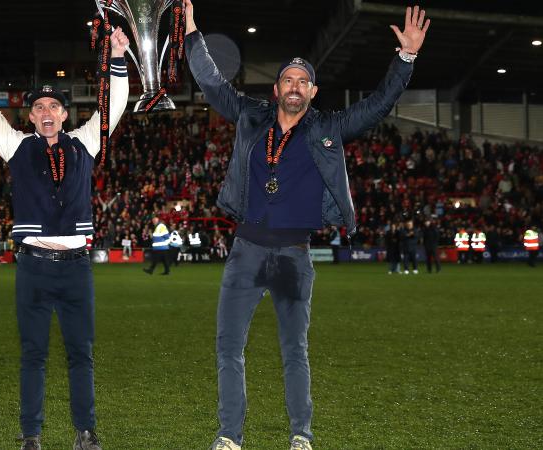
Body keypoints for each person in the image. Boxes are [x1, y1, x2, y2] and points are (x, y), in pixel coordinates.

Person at [184, 1, 430, 448]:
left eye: (304, 81)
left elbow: (377, 106)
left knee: (294, 350)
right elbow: (211, 81)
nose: (295, 86)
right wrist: (192, 32)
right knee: (228, 348)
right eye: (288, 79)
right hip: (246, 251)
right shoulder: (249, 116)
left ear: (313, 92)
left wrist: (406, 58)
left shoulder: (330, 128)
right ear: (276, 87)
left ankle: (301, 435)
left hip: (295, 255)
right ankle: (229, 436)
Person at [0, 21, 129, 450]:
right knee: (33, 355)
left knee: (80, 355)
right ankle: (31, 436)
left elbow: (114, 108)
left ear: (65, 114)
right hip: (32, 267)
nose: (46, 112)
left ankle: (85, 434)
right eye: (39, 107)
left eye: (54, 106)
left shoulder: (86, 142)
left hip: (76, 268)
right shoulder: (15, 145)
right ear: (30, 116)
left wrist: (118, 59)